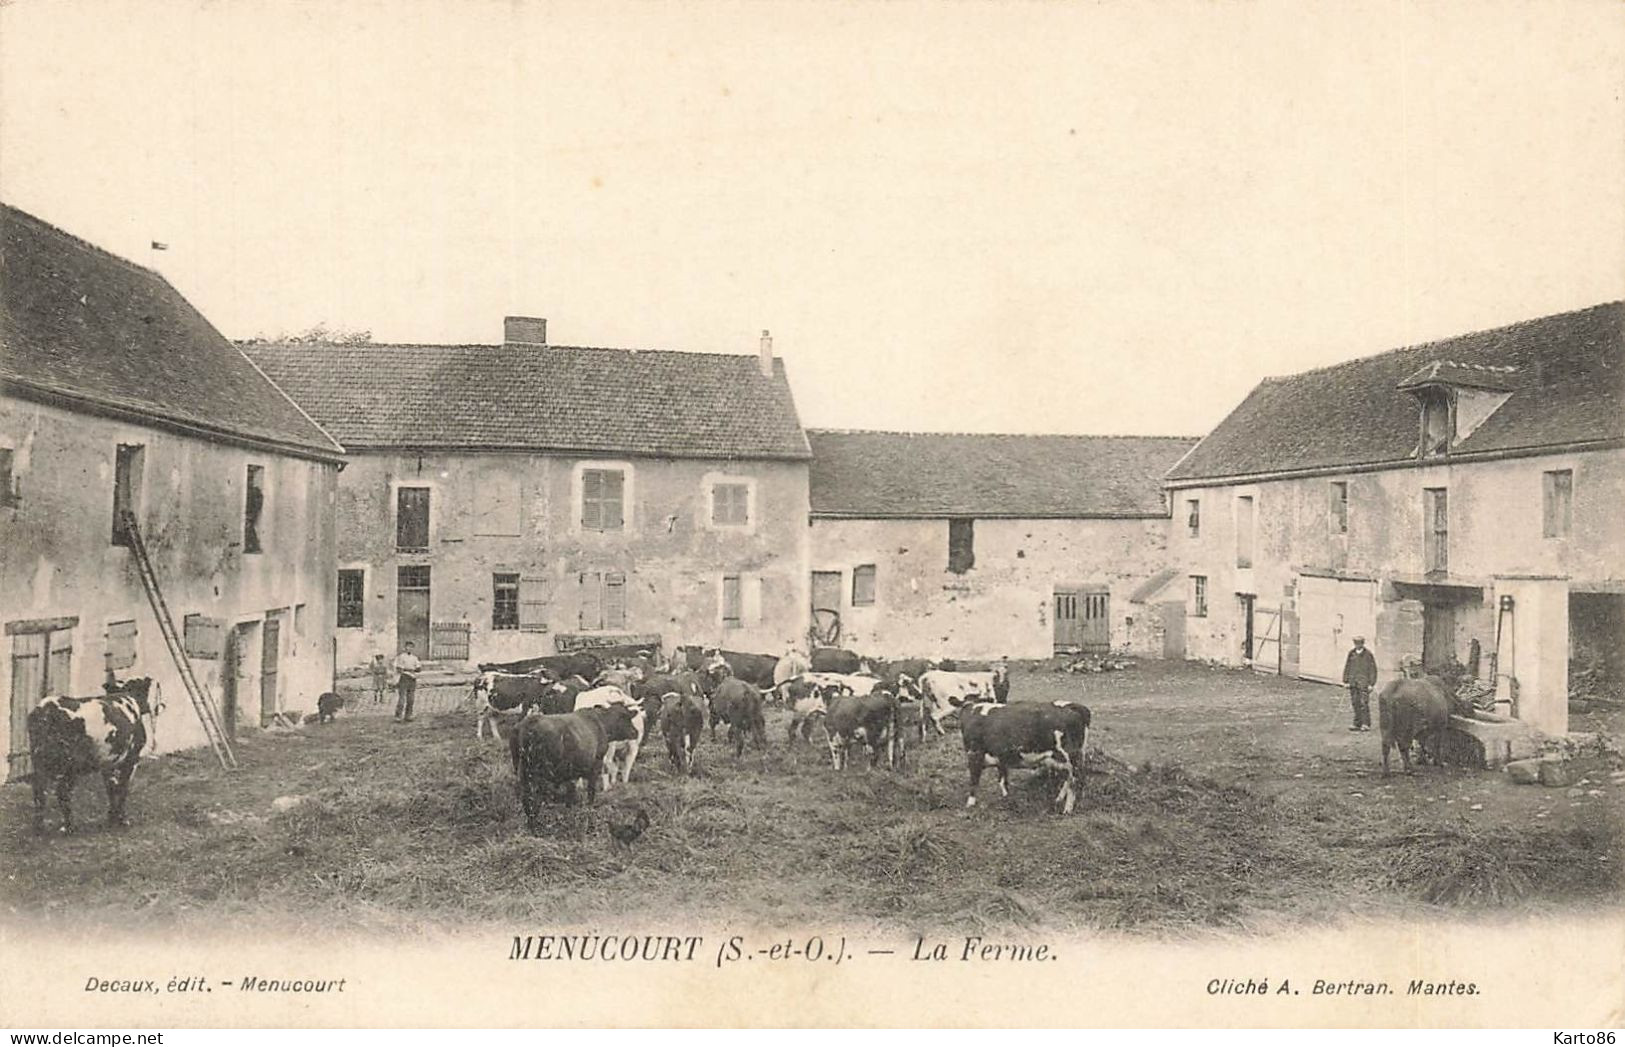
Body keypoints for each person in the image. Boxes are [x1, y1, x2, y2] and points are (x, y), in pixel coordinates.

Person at [1342, 636, 1378, 732]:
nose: (1357, 645)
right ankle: (1357, 723)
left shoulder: (1368, 655)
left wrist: (1371, 684)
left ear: (1363, 643)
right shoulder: (1352, 653)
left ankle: (1366, 724)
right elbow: (1347, 667)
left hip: (1364, 683)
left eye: (1359, 643)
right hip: (1353, 682)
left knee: (1364, 703)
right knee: (1355, 703)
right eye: (1356, 643)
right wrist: (1345, 681)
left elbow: (1373, 670)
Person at [393, 642, 423, 722]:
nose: (409, 649)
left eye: (411, 647)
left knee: (411, 699)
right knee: (402, 698)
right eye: (408, 647)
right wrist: (410, 669)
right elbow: (399, 669)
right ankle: (398, 715)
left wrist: (413, 669)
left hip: (412, 679)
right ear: (405, 648)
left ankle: (408, 715)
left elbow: (419, 669)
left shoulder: (414, 658)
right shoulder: (401, 657)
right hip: (404, 678)